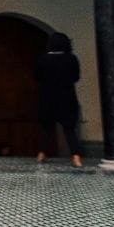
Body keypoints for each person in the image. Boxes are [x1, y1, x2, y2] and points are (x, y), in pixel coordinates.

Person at [35, 32, 84, 168]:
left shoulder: (42, 59)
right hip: (67, 97)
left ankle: (42, 154)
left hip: (48, 97)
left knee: (46, 128)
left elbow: (37, 77)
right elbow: (76, 77)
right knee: (69, 129)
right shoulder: (71, 59)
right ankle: (76, 157)